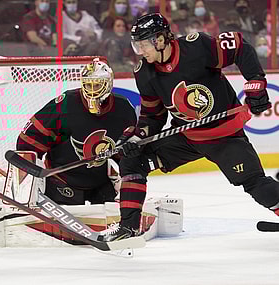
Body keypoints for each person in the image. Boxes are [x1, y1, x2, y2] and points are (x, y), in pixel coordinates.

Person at [99, 13, 279, 241]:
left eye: (144, 44)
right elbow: (153, 116)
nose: (140, 51)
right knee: (133, 161)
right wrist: (139, 136)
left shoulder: (196, 47)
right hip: (186, 136)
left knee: (257, 186)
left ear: (161, 40)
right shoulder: (144, 72)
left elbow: (239, 46)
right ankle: (128, 227)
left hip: (224, 135)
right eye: (137, 45)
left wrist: (255, 83)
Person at [16, 58, 137, 205]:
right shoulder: (66, 104)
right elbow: (29, 140)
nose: (92, 91)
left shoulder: (123, 109)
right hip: (62, 180)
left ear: (108, 84)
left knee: (115, 219)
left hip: (99, 182)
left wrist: (125, 167)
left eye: (97, 85)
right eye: (88, 85)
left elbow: (127, 149)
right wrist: (29, 173)